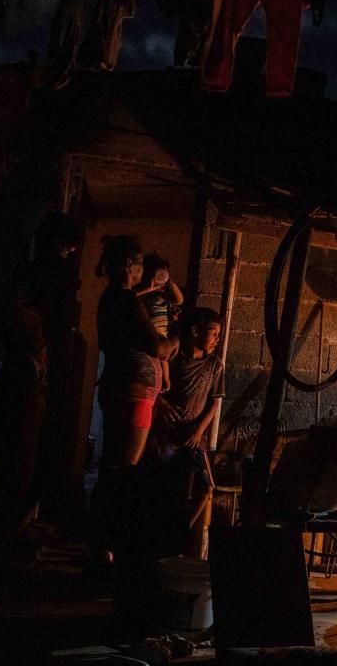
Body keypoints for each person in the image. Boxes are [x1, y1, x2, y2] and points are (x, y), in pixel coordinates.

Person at [0, 213, 79, 561]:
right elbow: (8, 311)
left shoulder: (41, 280)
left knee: (25, 453)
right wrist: (28, 356)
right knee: (17, 452)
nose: (68, 254)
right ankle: (1, 532)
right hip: (25, 377)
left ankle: (6, 529)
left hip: (34, 375)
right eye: (66, 248)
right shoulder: (35, 278)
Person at [87, 235, 176, 571]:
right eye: (139, 262)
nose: (143, 269)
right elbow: (157, 348)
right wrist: (178, 336)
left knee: (113, 468)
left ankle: (100, 548)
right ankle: (104, 550)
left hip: (122, 388)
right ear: (128, 265)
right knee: (121, 473)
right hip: (133, 392)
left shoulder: (115, 298)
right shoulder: (124, 299)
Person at [149, 307, 225, 558]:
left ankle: (181, 534)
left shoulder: (214, 365)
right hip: (167, 436)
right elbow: (154, 387)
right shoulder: (173, 359)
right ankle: (159, 543)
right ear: (195, 332)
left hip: (194, 437)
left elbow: (214, 404)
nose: (217, 339)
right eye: (213, 333)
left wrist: (199, 430)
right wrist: (161, 405)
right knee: (162, 489)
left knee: (206, 487)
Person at [133, 253, 184, 393]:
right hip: (147, 335)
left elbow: (179, 300)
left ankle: (165, 379)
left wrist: (169, 282)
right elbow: (129, 297)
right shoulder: (140, 294)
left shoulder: (161, 295)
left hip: (162, 335)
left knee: (164, 360)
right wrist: (146, 289)